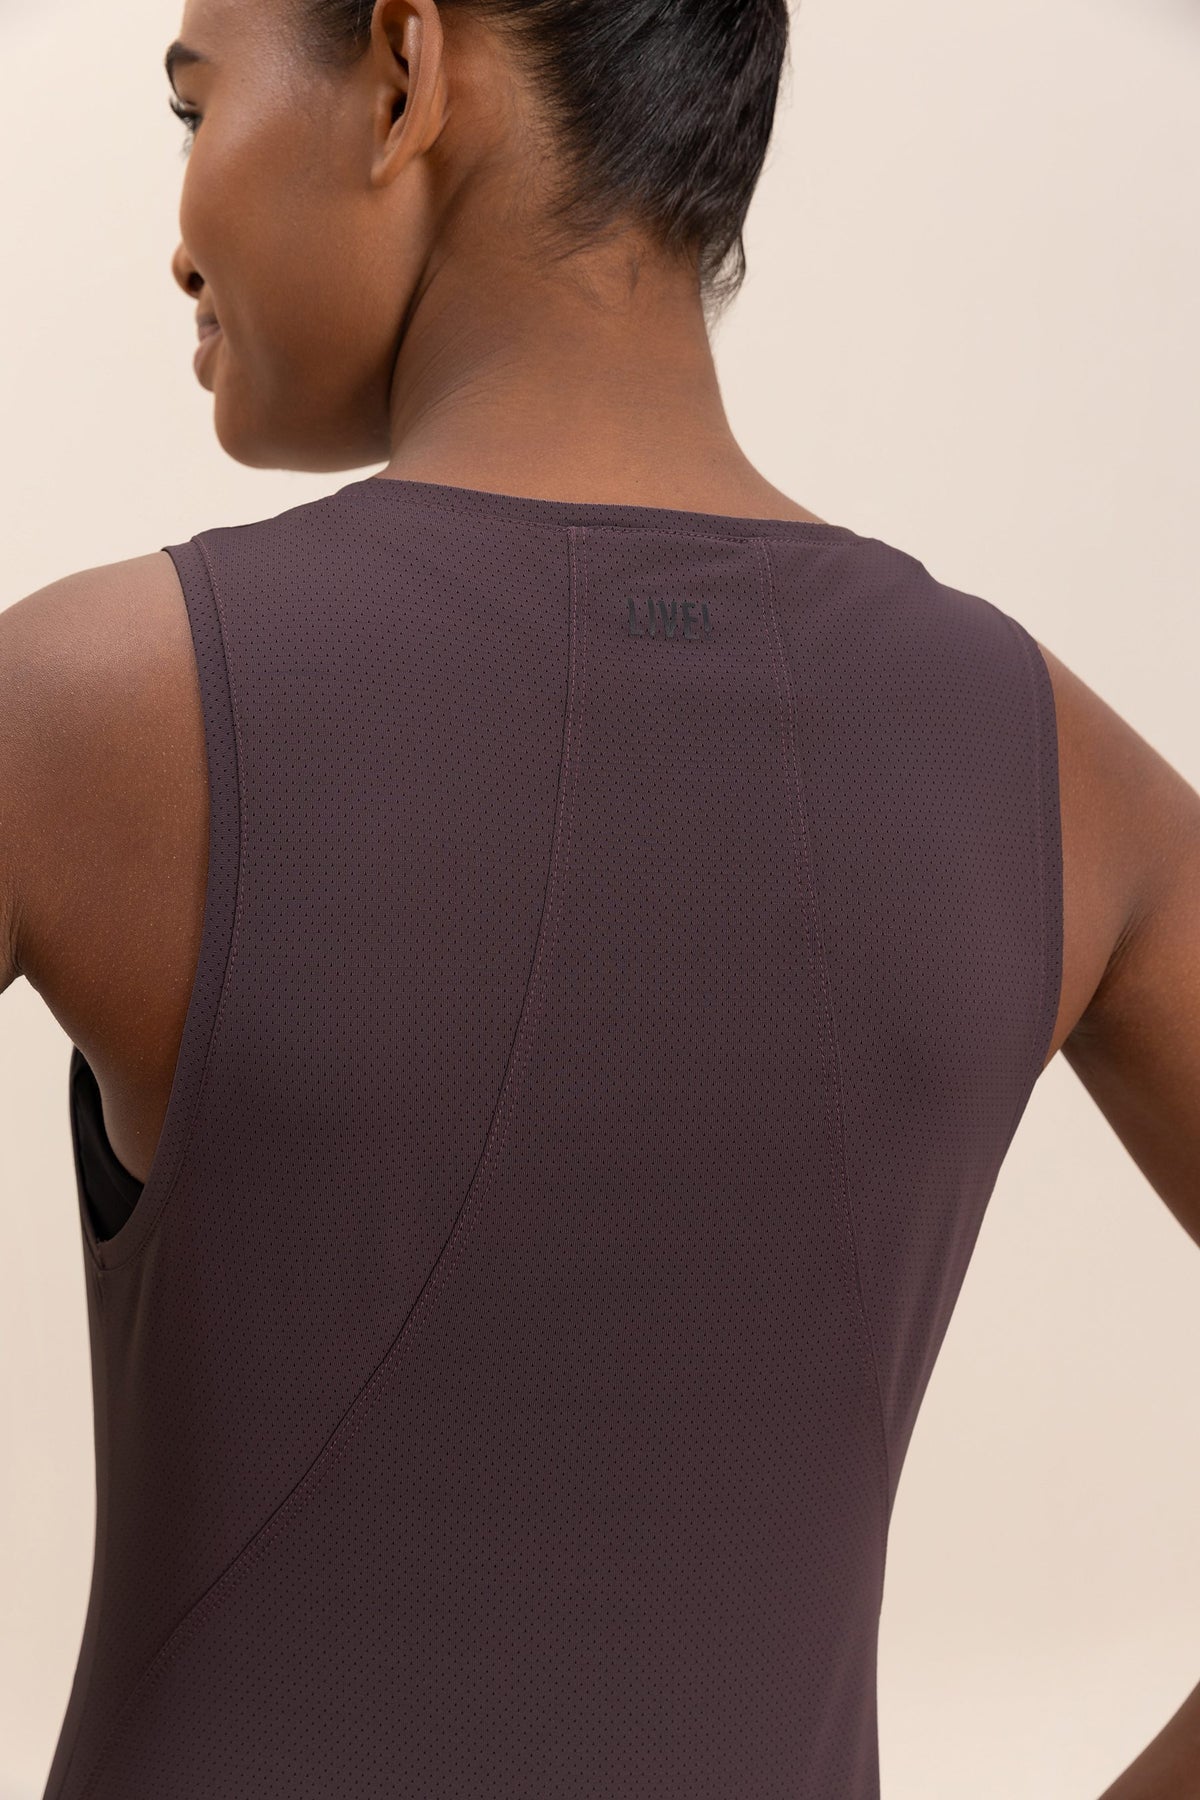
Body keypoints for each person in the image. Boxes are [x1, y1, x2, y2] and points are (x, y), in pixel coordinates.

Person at [1, 0, 1196, 1794]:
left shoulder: (85, 712)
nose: (180, 236)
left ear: (405, 73)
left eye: (195, 107)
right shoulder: (1054, 773)